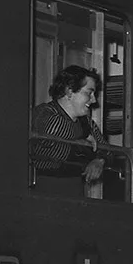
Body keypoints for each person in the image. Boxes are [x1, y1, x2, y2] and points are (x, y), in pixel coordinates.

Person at [30, 66, 109, 195]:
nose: (94, 100)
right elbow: (54, 129)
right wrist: (85, 134)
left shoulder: (86, 122)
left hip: (75, 187)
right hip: (41, 187)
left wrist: (99, 160)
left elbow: (107, 149)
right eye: (89, 93)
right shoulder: (44, 112)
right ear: (69, 91)